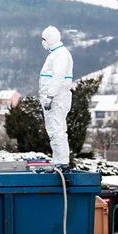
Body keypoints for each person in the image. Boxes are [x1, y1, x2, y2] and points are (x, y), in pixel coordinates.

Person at [39, 25, 73, 171]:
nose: (43, 42)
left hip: (57, 99)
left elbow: (58, 77)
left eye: (44, 39)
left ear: (50, 39)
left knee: (57, 130)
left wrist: (50, 95)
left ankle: (61, 163)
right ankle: (59, 161)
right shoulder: (55, 54)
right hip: (54, 99)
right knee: (54, 130)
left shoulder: (60, 54)